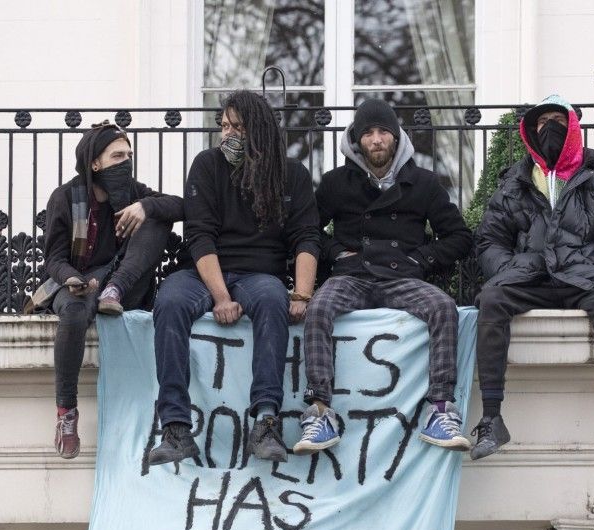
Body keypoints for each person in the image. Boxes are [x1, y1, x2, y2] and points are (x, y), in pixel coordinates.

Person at [148, 90, 320, 465]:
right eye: (223, 126)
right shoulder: (207, 165)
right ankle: (175, 427)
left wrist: (302, 295)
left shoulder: (292, 175)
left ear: (258, 130)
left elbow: (307, 236)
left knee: (274, 300)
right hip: (205, 271)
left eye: (236, 127)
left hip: (261, 273)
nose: (227, 134)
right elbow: (200, 235)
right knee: (171, 301)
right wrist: (222, 298)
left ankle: (266, 421)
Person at [294, 99, 473, 454]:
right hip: (352, 275)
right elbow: (307, 231)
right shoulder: (334, 183)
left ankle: (440, 409)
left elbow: (460, 236)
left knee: (443, 307)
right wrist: (335, 253)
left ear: (396, 137)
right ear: (357, 140)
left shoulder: (423, 182)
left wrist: (420, 258)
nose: (376, 140)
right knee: (319, 309)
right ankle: (318, 410)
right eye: (368, 133)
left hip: (402, 277)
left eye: (383, 132)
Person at [471, 94, 594, 460]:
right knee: (491, 301)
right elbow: (489, 240)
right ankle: (491, 419)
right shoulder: (515, 182)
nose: (550, 128)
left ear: (574, 128)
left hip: (581, 279)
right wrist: (510, 270)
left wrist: (592, 269)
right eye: (542, 122)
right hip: (530, 279)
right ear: (530, 131)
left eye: (558, 121)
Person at [44, 121, 183, 459]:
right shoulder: (65, 198)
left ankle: (114, 291)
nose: (126, 161)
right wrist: (72, 279)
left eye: (129, 155)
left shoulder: (135, 193)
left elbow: (183, 206)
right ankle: (66, 413)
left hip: (122, 285)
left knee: (157, 217)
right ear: (95, 163)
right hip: (76, 282)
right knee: (74, 314)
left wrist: (146, 206)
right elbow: (54, 258)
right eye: (118, 155)